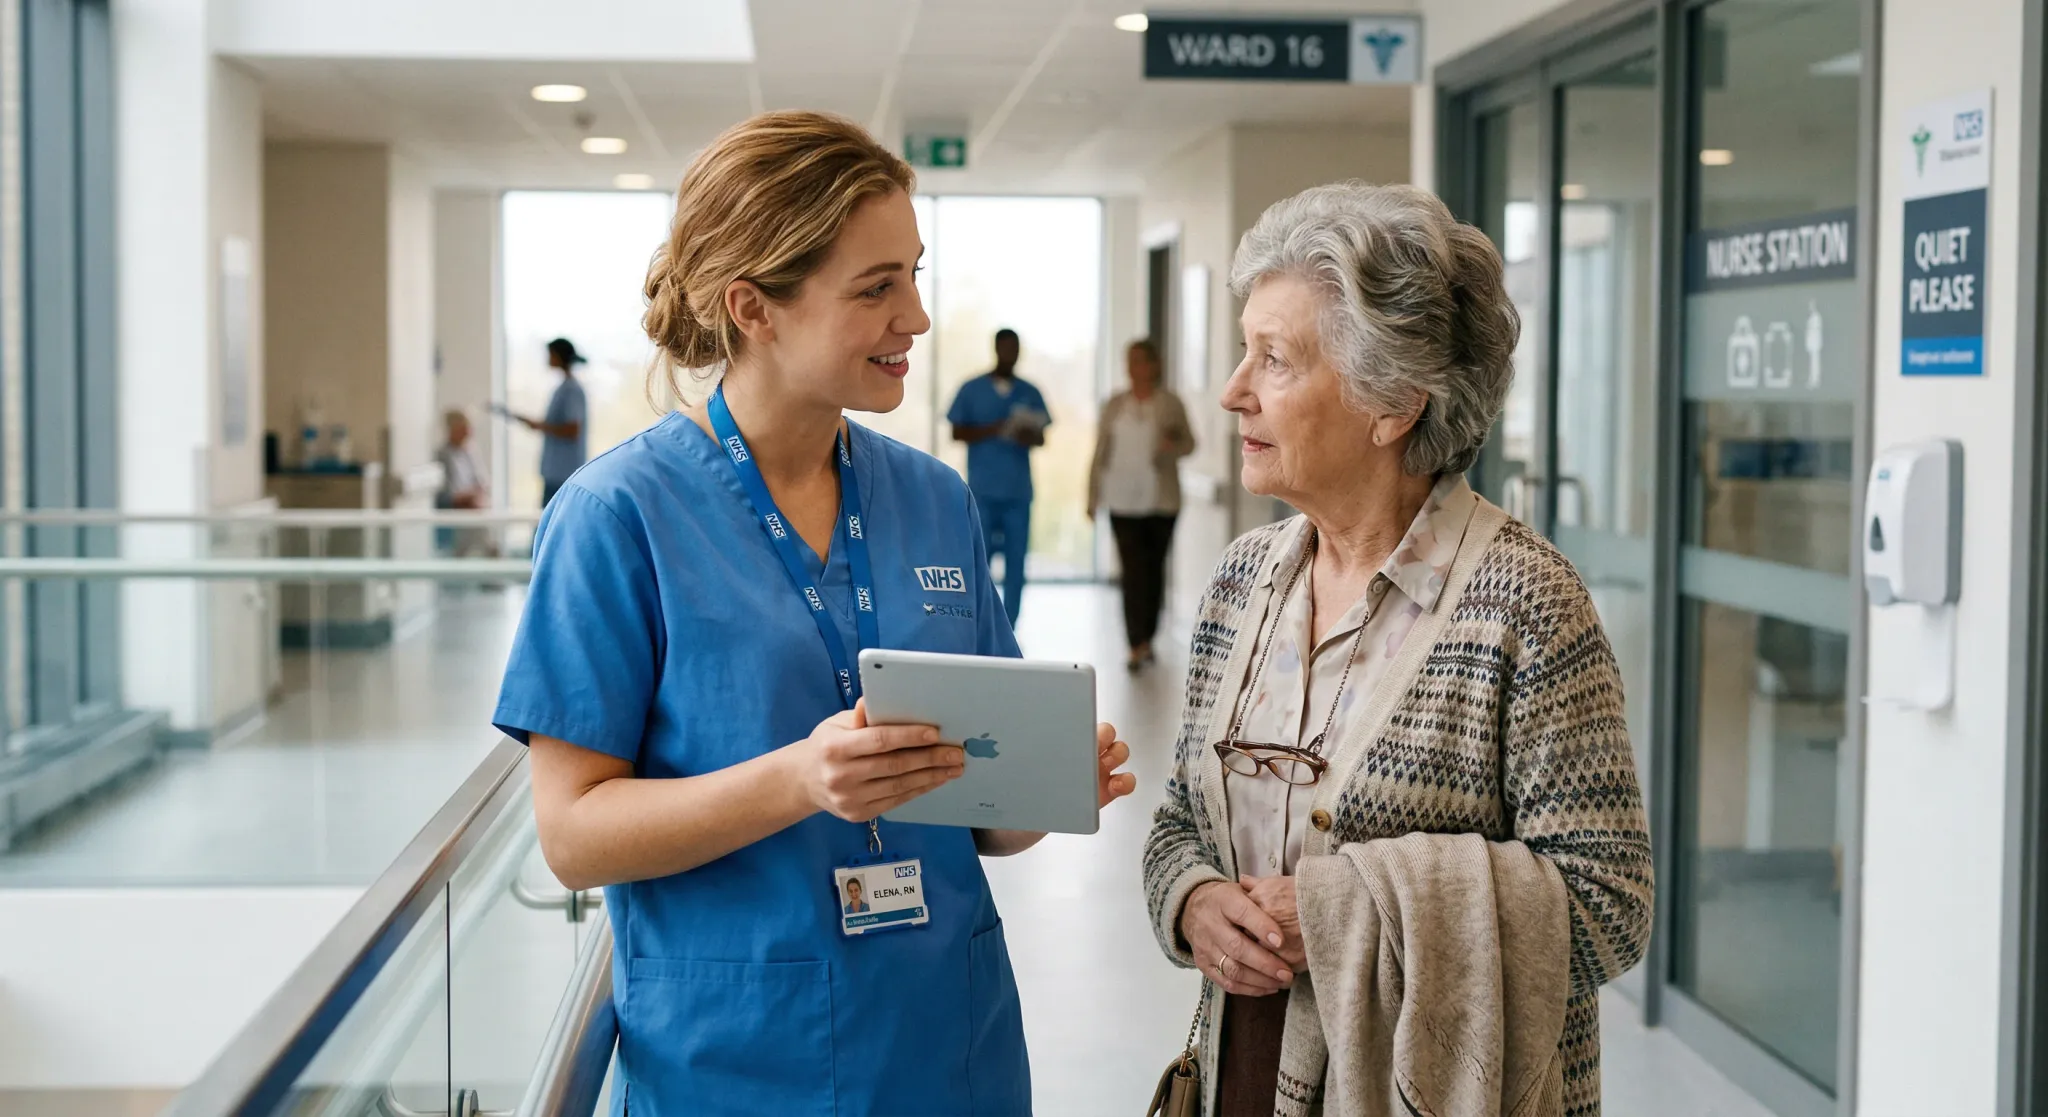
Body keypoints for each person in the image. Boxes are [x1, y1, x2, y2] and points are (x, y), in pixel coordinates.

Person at [494, 110, 1136, 1117]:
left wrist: (1045, 782)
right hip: (741, 1058)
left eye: (913, 276)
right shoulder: (616, 517)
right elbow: (573, 832)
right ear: (754, 307)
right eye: (875, 288)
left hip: (946, 1044)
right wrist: (798, 779)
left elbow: (986, 818)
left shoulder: (933, 500)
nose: (914, 319)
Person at [1140, 183, 1652, 1117]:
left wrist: (1341, 912)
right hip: (1244, 1077)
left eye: (1275, 359)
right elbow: (1181, 821)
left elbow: (1608, 904)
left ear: (1393, 406)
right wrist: (1190, 902)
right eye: (1243, 348)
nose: (1231, 389)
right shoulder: (1238, 585)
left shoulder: (1527, 605)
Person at [1087, 338, 1196, 672]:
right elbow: (1100, 451)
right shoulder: (1115, 404)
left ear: (1153, 365)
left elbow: (1189, 443)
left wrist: (1170, 444)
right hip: (1120, 499)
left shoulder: (1169, 404)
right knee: (1132, 572)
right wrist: (1091, 496)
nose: (1133, 368)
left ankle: (1148, 636)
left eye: (1139, 361)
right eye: (1129, 360)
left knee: (1152, 570)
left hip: (1160, 501)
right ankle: (1136, 643)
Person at [947, 329, 1049, 626]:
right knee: (980, 559)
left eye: (1015, 349)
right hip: (983, 491)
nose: (1010, 355)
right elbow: (957, 431)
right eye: (1006, 348)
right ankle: (979, 622)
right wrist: (993, 428)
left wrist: (1025, 434)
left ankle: (1010, 623)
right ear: (996, 349)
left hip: (1017, 491)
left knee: (1016, 562)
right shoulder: (972, 388)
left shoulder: (1030, 392)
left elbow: (1042, 437)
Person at [512, 337, 588, 506]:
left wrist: (541, 426)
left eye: (551, 354)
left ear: (559, 356)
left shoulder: (571, 389)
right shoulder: (563, 387)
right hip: (556, 471)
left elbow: (572, 429)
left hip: (563, 472)